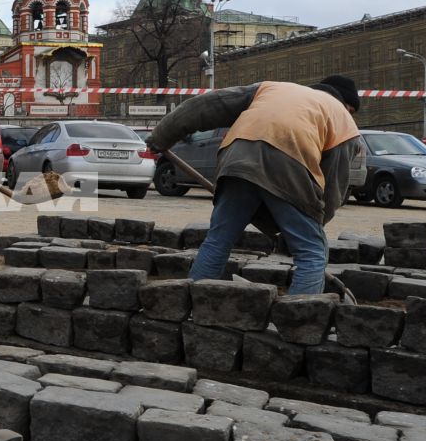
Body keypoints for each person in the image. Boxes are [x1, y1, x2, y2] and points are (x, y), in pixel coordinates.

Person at [146, 75, 363, 296]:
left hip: (237, 157)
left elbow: (208, 104)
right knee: (312, 252)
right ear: (348, 106)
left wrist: (161, 137)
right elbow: (334, 187)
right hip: (290, 162)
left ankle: (192, 305)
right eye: (352, 111)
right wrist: (313, 224)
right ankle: (300, 321)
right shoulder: (344, 121)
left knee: (218, 241)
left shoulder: (272, 88)